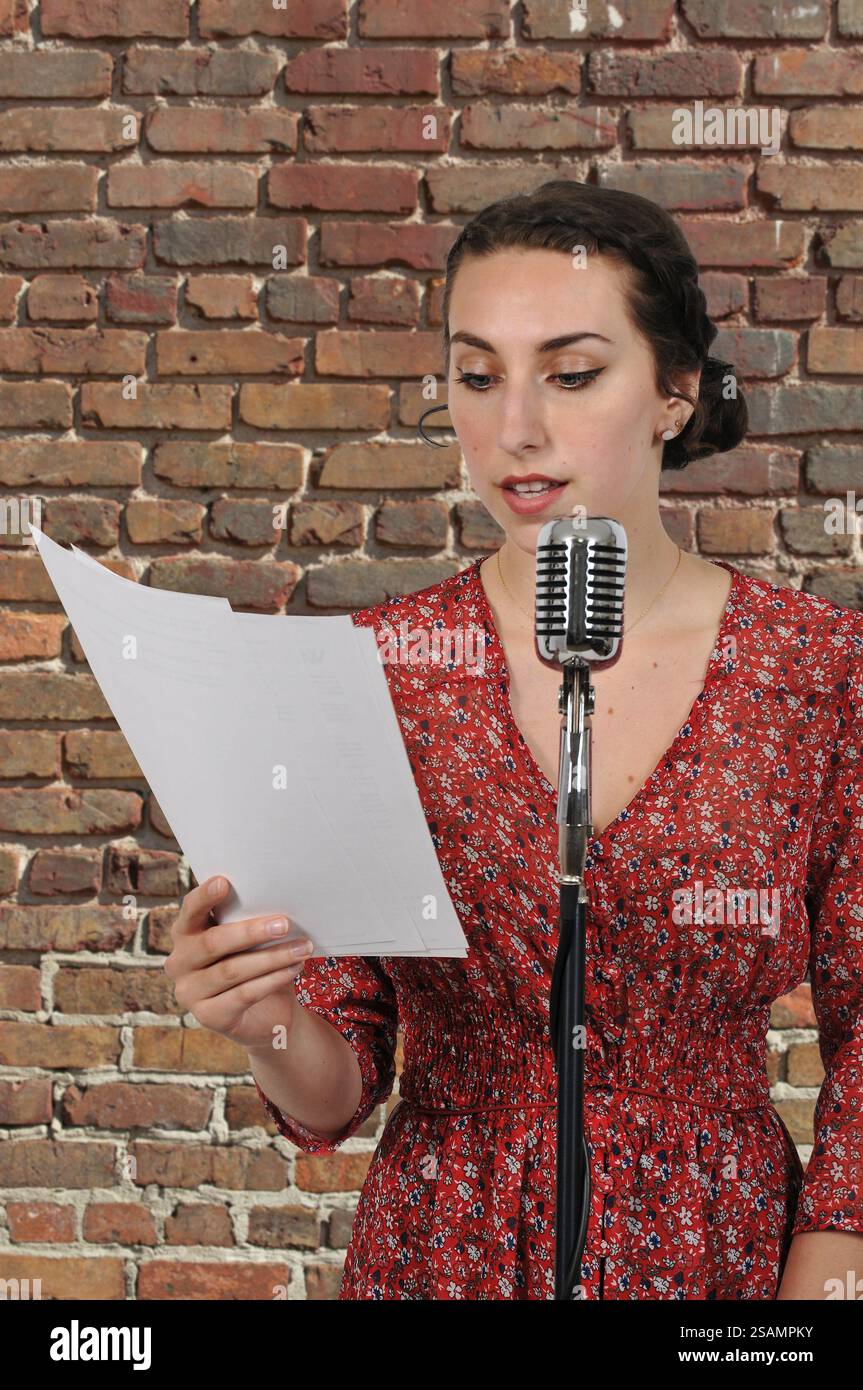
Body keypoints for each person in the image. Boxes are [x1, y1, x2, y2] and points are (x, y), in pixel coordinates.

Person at [165, 181, 863, 1300]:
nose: (515, 429)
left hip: (719, 1253)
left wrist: (825, 1280)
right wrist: (264, 1020)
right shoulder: (375, 670)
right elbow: (336, 1085)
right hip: (442, 1247)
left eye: (571, 374)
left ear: (673, 391)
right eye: (477, 377)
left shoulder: (815, 669)